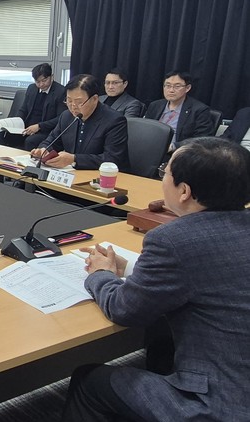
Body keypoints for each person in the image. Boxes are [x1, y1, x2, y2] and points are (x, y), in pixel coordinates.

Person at [62, 137, 250, 422]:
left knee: (89, 381)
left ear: (184, 191)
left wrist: (101, 273)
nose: (162, 179)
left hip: (223, 403)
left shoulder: (173, 240)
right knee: (161, 337)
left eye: (166, 172)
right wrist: (131, 268)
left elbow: (124, 309)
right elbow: (211, 275)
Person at [31, 74, 129, 171]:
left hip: (104, 176)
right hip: (73, 174)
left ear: (94, 99)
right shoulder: (66, 116)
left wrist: (74, 159)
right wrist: (43, 150)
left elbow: (112, 159)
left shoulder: (114, 120)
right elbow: (51, 141)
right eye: (69, 101)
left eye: (79, 102)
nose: (73, 106)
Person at [0, 63, 67, 151]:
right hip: (27, 128)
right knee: (1, 136)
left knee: (30, 141)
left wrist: (39, 126)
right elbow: (23, 110)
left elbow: (60, 118)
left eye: (44, 80)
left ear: (51, 77)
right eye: (37, 82)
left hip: (45, 130)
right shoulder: (31, 88)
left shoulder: (60, 91)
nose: (41, 84)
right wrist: (16, 123)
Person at [144, 70, 213, 151]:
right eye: (168, 85)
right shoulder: (155, 105)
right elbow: (145, 129)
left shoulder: (199, 110)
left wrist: (174, 146)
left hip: (178, 152)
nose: (171, 90)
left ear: (187, 88)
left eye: (177, 86)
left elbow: (202, 139)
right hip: (150, 147)